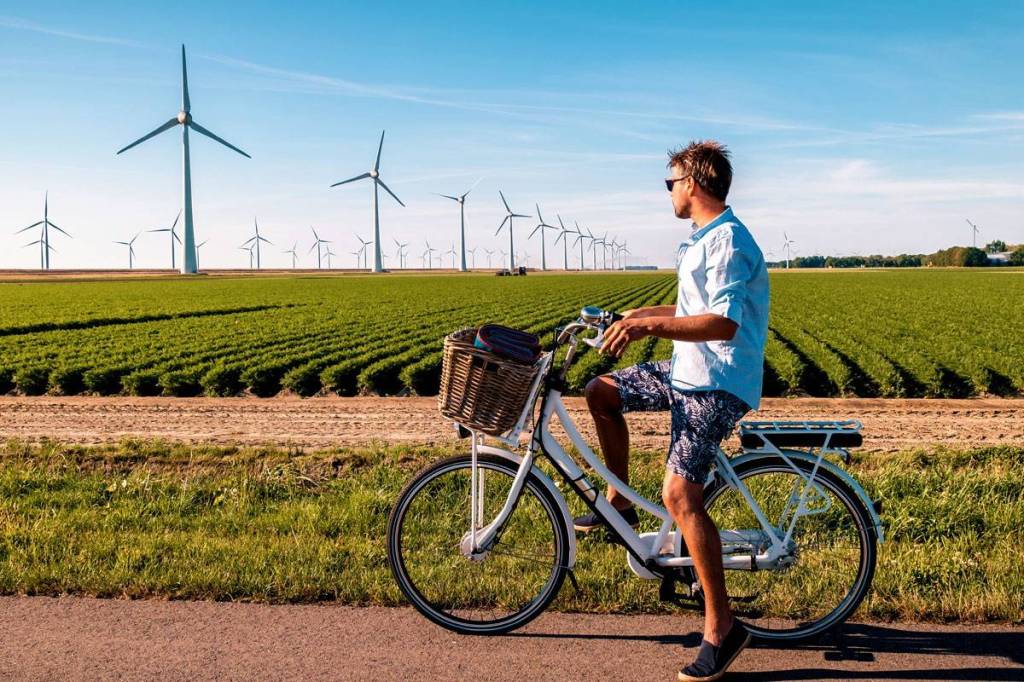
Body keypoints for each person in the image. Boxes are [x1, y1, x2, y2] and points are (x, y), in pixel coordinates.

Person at [575, 140, 769, 681]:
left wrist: (648, 326)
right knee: (602, 391)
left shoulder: (728, 241)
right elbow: (692, 310)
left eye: (671, 181)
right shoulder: (701, 240)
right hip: (687, 370)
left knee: (681, 496)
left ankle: (721, 628)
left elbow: (723, 323)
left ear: (694, 183)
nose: (668, 191)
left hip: (714, 383)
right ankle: (620, 500)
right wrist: (636, 313)